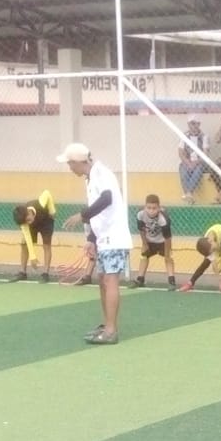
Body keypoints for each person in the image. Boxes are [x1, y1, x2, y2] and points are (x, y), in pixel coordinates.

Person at [59, 142, 131, 345]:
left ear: (78, 161)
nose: (69, 168)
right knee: (102, 280)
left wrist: (82, 215)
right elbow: (99, 211)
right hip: (103, 238)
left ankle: (111, 330)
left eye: (70, 163)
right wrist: (91, 239)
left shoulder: (101, 173)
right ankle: (107, 325)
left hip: (114, 238)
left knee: (110, 280)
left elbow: (107, 199)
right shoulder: (91, 178)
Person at [12, 188, 58, 282]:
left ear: (29, 212)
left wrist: (52, 211)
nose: (28, 223)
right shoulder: (24, 223)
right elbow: (28, 239)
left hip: (46, 222)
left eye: (28, 220)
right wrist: (33, 257)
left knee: (46, 246)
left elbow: (47, 193)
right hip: (33, 227)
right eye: (25, 222)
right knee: (24, 244)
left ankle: (45, 274)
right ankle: (23, 272)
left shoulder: (40, 204)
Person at [179, 221, 221, 292]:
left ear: (210, 241)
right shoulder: (206, 242)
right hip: (216, 243)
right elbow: (214, 266)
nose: (213, 251)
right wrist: (220, 283)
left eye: (212, 250)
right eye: (211, 251)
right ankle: (190, 283)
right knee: (205, 263)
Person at [134, 193, 176, 287]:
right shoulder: (140, 214)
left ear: (159, 208)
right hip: (149, 240)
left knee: (168, 258)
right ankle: (140, 279)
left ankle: (171, 281)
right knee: (144, 256)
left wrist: (167, 250)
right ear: (145, 207)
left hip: (162, 241)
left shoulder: (163, 219)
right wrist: (145, 244)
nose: (151, 211)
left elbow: (168, 237)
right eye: (149, 208)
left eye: (154, 208)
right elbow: (141, 230)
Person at [178, 118, 208, 203]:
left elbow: (205, 154)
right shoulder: (184, 136)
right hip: (187, 162)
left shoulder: (204, 136)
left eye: (196, 123)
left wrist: (195, 163)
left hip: (199, 162)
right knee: (183, 170)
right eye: (192, 123)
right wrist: (188, 162)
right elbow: (180, 152)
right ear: (188, 125)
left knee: (198, 170)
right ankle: (189, 195)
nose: (194, 126)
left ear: (199, 124)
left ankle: (188, 194)